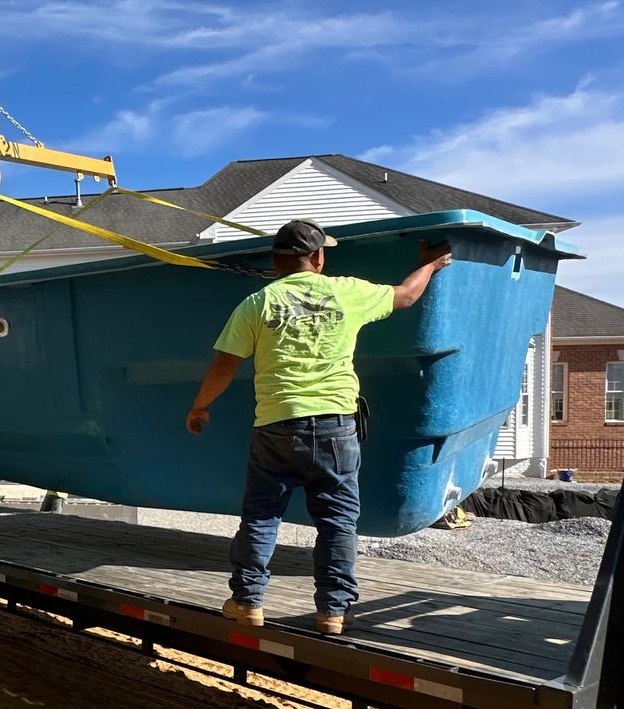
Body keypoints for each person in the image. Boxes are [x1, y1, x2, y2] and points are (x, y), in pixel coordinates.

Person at [185, 218, 452, 636]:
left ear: (275, 260)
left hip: (275, 425)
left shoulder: (257, 303)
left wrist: (200, 407)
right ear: (318, 257)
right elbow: (405, 296)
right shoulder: (347, 292)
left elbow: (224, 364)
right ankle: (333, 612)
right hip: (336, 428)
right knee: (337, 523)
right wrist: (431, 266)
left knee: (260, 517)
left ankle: (247, 602)